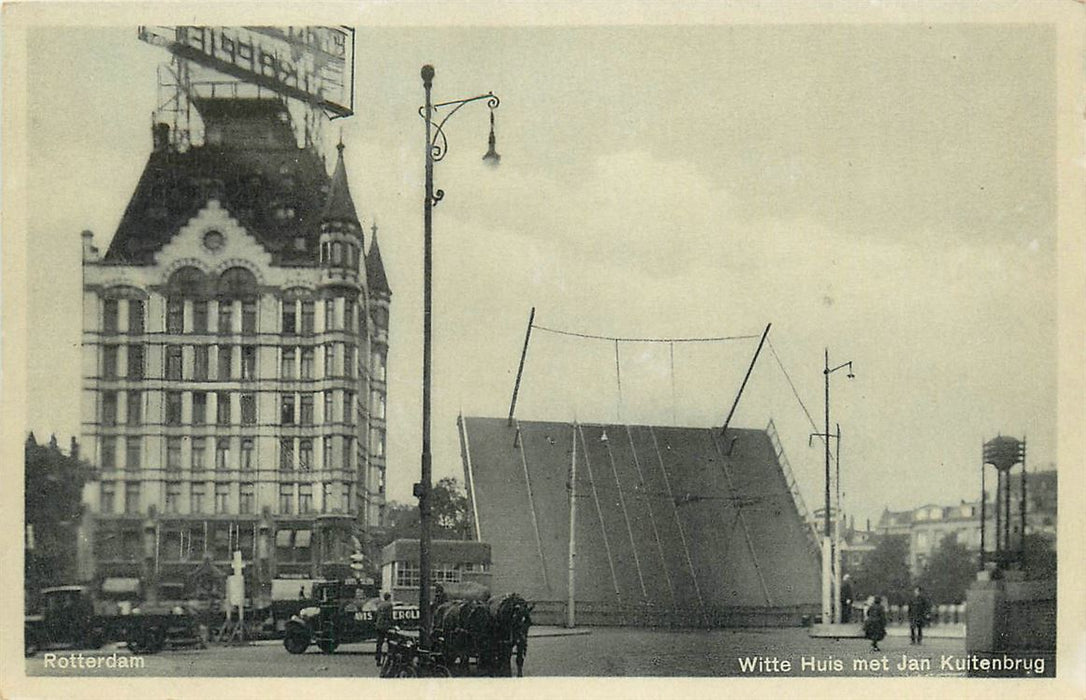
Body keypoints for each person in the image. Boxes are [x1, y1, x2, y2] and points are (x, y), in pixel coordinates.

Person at [374, 593, 394, 667]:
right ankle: (389, 659)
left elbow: (376, 615)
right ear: (389, 598)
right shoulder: (389, 605)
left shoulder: (379, 605)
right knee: (390, 643)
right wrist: (392, 625)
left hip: (379, 625)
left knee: (379, 643)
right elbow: (389, 616)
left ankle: (378, 659)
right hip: (386, 626)